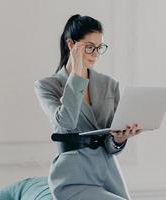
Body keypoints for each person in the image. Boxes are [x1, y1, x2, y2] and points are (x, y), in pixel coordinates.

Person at [34, 14, 143, 200]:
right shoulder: (47, 86)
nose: (95, 54)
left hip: (109, 174)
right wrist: (77, 74)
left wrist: (119, 139)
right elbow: (67, 122)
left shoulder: (110, 84)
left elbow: (110, 143)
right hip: (73, 178)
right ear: (71, 45)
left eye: (100, 48)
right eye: (90, 47)